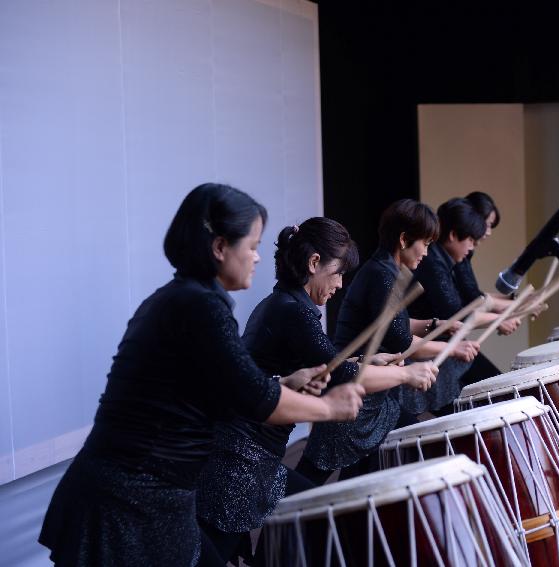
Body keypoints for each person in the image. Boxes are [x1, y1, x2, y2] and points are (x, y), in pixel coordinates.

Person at [38, 183, 365, 567]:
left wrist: (285, 385)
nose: (258, 258)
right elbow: (256, 400)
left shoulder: (183, 298)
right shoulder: (198, 306)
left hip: (145, 494)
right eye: (252, 246)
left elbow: (225, 389)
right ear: (220, 247)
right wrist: (328, 408)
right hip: (128, 499)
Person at [195, 217, 438, 565]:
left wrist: (371, 361)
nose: (339, 284)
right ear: (313, 264)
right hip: (239, 462)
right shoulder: (293, 311)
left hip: (252, 457)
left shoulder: (286, 304)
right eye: (337, 273)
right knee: (306, 523)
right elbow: (342, 375)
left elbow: (330, 364)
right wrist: (406, 375)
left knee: (304, 523)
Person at [295, 199, 477, 485]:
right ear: (404, 239)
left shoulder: (387, 271)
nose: (427, 253)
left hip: (372, 394)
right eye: (425, 244)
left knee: (360, 478)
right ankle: (280, 522)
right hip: (354, 387)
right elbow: (400, 339)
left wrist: (434, 324)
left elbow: (395, 325)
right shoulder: (382, 275)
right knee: (314, 479)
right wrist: (451, 348)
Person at [408, 197, 521, 414]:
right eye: (471, 240)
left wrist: (507, 307)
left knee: (501, 393)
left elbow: (470, 303)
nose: (472, 249)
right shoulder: (433, 262)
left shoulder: (445, 259)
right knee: (487, 405)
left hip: (443, 348)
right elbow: (458, 314)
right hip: (426, 354)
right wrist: (500, 318)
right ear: (452, 235)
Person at [452, 191, 522, 384]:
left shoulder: (462, 255)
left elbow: (475, 298)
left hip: (454, 345)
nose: (488, 231)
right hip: (445, 349)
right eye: (488, 224)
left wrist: (513, 303)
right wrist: (500, 317)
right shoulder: (445, 261)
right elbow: (464, 308)